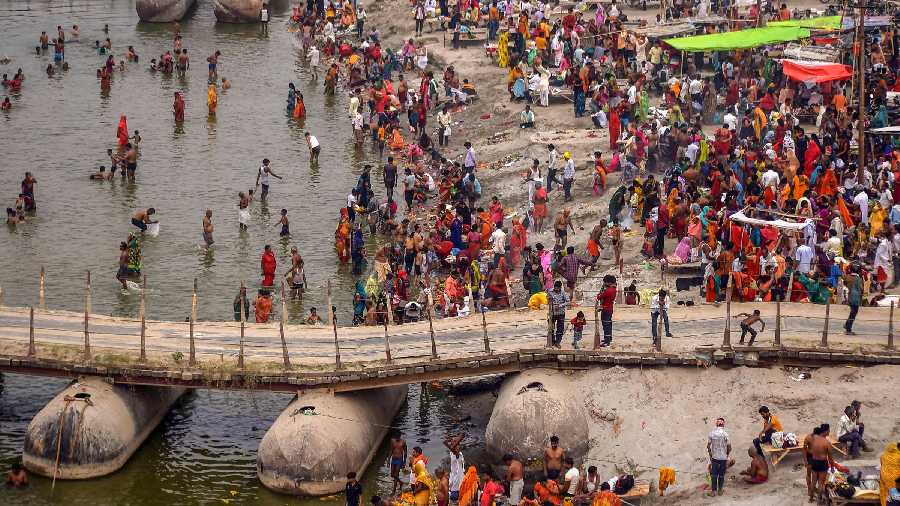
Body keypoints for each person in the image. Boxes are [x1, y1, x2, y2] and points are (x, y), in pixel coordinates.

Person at [707, 417, 731, 497]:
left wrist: (711, 455)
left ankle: (713, 491)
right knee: (721, 475)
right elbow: (729, 447)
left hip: (715, 457)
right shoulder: (725, 434)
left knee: (714, 475)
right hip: (723, 458)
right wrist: (727, 455)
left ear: (716, 424)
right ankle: (720, 490)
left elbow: (708, 446)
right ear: (723, 424)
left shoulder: (712, 433)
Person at [547, 281, 570, 348]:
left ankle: (558, 342)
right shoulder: (550, 291)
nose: (556, 289)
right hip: (552, 313)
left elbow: (568, 302)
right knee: (551, 328)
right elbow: (547, 299)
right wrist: (549, 300)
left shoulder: (563, 293)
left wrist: (560, 305)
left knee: (560, 329)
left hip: (561, 313)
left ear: (560, 287)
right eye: (555, 287)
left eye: (558, 288)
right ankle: (552, 341)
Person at [596, 275, 616, 346]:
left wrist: (600, 292)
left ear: (608, 282)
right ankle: (609, 338)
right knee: (609, 324)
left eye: (605, 282)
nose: (604, 283)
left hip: (605, 309)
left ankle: (607, 342)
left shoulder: (607, 291)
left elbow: (599, 297)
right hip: (610, 308)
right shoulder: (614, 289)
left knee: (606, 325)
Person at [446, 433, 466, 502]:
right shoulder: (454, 453)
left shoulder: (459, 454)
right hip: (456, 483)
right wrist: (460, 438)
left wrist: (455, 439)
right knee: (455, 499)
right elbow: (448, 444)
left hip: (459, 481)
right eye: (457, 445)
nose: (458, 447)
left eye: (458, 445)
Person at [389, 431, 407, 495]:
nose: (397, 438)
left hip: (399, 459)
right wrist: (388, 460)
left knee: (396, 474)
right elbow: (391, 450)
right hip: (393, 459)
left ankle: (393, 491)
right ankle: (401, 482)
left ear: (400, 436)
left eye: (398, 437)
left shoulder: (403, 442)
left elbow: (405, 452)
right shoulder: (392, 441)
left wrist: (404, 462)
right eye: (396, 437)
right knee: (392, 474)